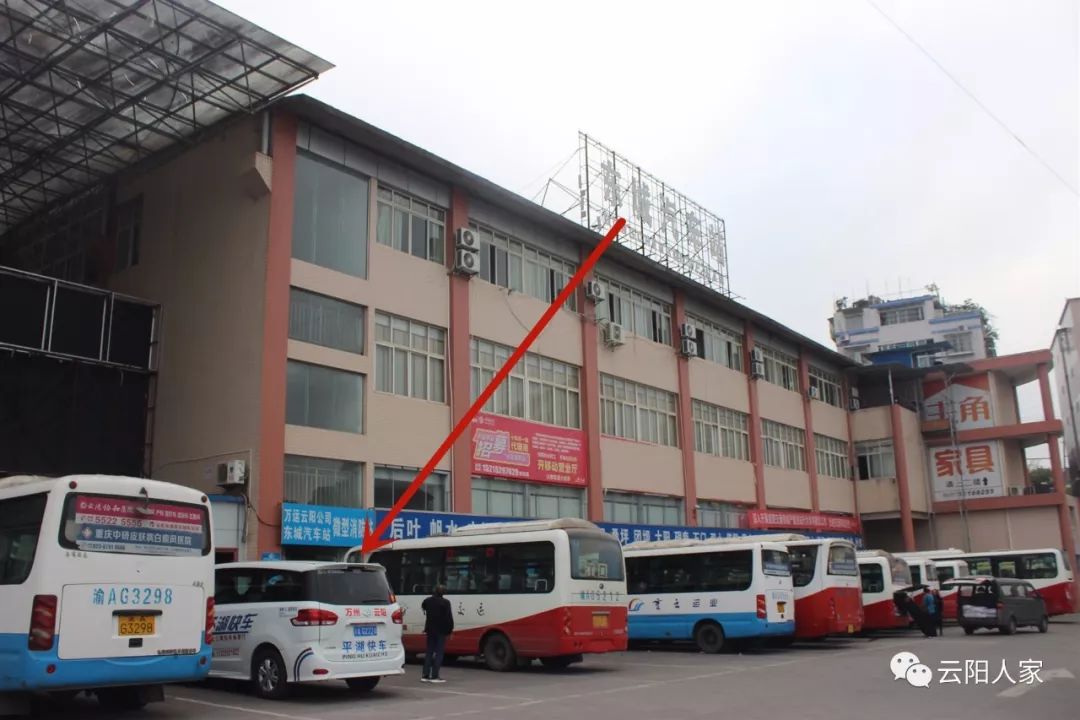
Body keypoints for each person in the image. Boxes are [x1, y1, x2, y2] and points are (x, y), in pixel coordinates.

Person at [421, 585, 454, 683]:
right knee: (439, 653)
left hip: (430, 630)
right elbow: (449, 618)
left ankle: (425, 675)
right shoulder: (446, 603)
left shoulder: (427, 601)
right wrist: (450, 630)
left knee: (429, 652)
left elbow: (424, 607)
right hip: (441, 631)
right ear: (443, 593)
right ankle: (435, 676)